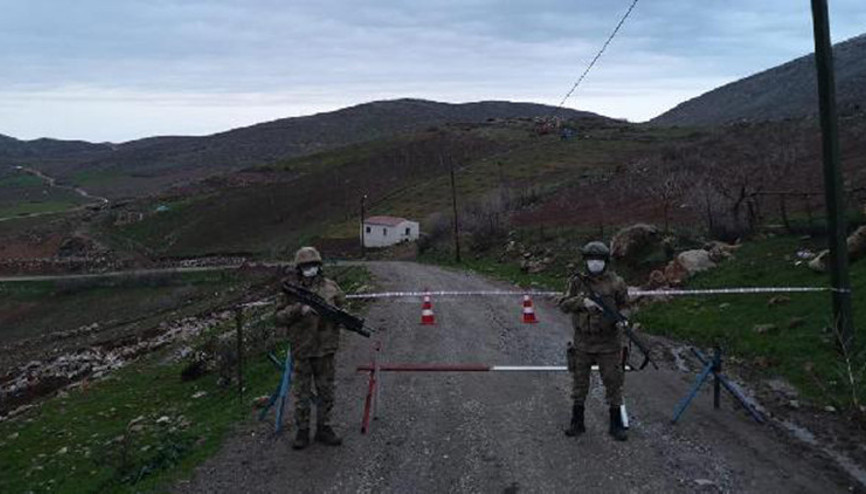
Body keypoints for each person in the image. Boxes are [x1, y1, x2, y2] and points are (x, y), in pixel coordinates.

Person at [558, 241, 630, 441]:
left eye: (598, 260)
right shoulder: (577, 282)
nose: (594, 263)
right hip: (583, 342)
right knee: (579, 384)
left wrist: (623, 321)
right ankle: (577, 422)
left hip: (609, 344)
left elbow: (625, 306)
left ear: (606, 261)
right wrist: (582, 301)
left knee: (613, 383)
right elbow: (563, 304)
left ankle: (616, 424)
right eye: (591, 260)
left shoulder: (616, 282)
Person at [275, 246, 346, 450]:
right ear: (299, 267)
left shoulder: (331, 287)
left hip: (325, 349)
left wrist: (334, 315)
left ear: (319, 265)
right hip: (302, 349)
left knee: (326, 391)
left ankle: (324, 428)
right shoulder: (290, 289)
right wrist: (299, 309)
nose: (310, 268)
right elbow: (278, 318)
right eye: (306, 265)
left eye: (313, 265)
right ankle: (302, 431)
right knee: (302, 394)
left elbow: (343, 310)